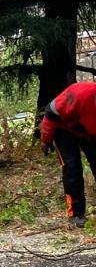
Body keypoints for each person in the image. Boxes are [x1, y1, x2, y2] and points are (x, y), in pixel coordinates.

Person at [39, 82, 96, 227]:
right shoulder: (78, 94)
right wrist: (46, 139)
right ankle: (76, 214)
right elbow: (51, 112)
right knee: (72, 167)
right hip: (63, 129)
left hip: (89, 132)